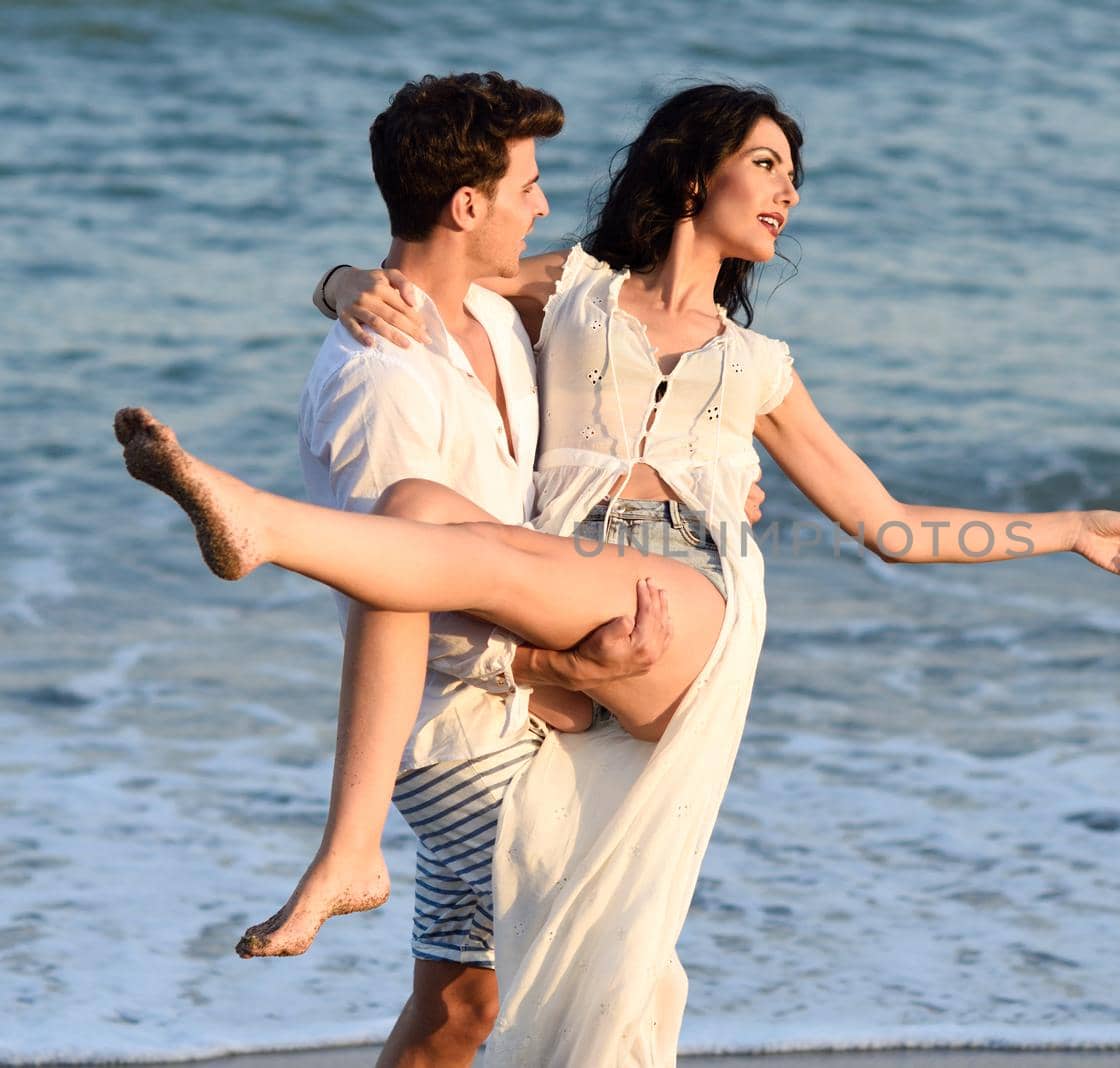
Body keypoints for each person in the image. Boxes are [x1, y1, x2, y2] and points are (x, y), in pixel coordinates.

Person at [121, 84, 1120, 1065]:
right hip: (557, 576)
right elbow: (433, 261)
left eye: (792, 174)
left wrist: (1069, 527)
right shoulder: (570, 292)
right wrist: (343, 285)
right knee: (414, 514)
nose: (788, 190)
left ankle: (267, 526)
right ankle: (381, 795)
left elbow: (888, 526)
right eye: (765, 163)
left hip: (685, 612)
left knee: (464, 554)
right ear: (690, 176)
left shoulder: (759, 367)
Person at [263, 72, 750, 1068]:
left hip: (519, 711)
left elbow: (625, 396)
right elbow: (390, 586)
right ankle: (345, 856)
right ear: (465, 204)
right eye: (526, 183)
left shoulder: (485, 320)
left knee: (460, 1009)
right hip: (450, 734)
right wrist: (563, 674)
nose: (540, 204)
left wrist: (713, 480)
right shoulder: (380, 380)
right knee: (620, 966)